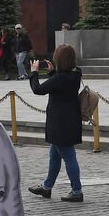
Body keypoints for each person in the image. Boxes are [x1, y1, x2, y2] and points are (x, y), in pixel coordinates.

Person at [27, 44, 84, 203]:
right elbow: (62, 86)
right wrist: (52, 72)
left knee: (69, 157)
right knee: (54, 155)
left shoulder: (60, 78)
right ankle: (47, 187)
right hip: (70, 120)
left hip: (60, 123)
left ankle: (77, 191)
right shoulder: (76, 73)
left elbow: (38, 89)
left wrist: (34, 72)